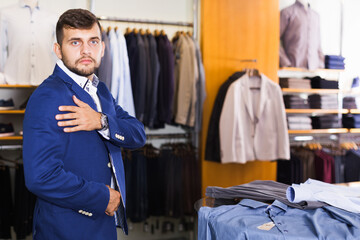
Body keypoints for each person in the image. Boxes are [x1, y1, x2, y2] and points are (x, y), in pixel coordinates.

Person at [23, 8, 146, 240]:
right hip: (67, 229)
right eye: (75, 42)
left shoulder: (100, 90)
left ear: (103, 47)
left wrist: (100, 121)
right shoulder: (46, 98)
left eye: (93, 41)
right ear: (58, 50)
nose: (86, 50)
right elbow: (41, 177)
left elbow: (138, 134)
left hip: (103, 226)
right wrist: (103, 197)